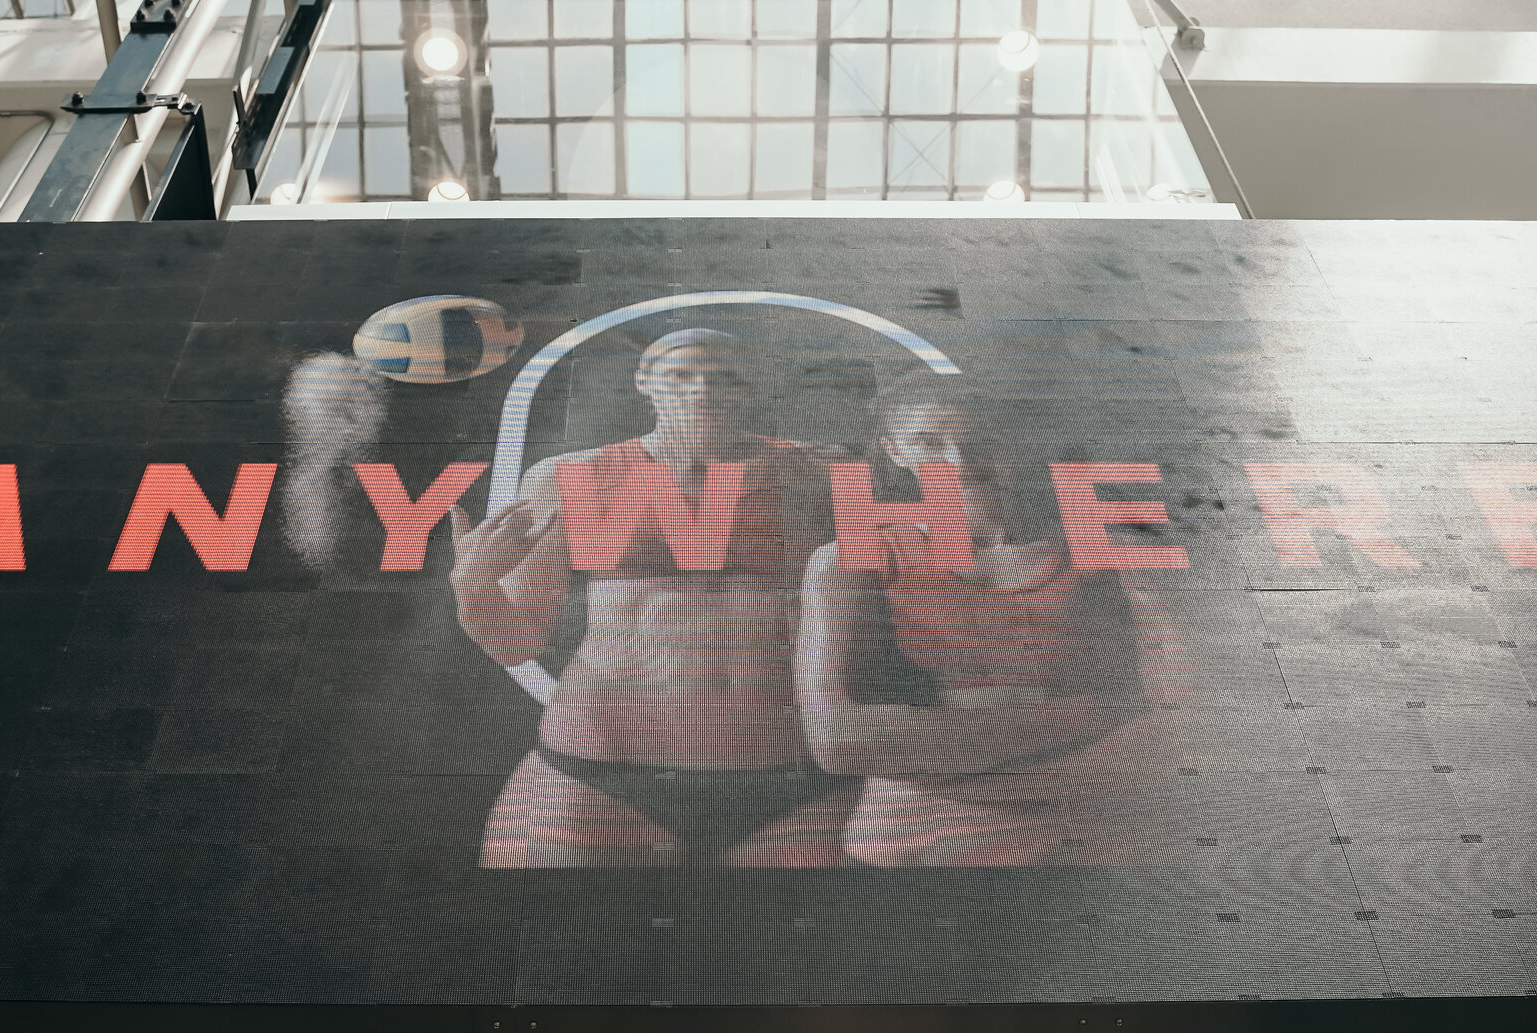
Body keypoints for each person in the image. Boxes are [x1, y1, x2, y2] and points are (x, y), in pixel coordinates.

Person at [447, 328, 857, 866]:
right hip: (600, 763)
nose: (702, 389)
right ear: (644, 380)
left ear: (749, 385)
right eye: (682, 375)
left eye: (724, 377)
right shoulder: (573, 477)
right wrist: (473, 583)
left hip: (789, 771)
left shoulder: (821, 474)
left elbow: (891, 623)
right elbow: (516, 641)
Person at [794, 375, 1163, 865]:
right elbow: (837, 740)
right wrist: (1087, 720)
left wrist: (924, 746)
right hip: (912, 848)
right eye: (929, 443)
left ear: (1008, 445)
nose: (960, 463)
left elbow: (1165, 721)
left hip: (1072, 844)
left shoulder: (1094, 555)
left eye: (978, 442)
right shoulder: (850, 558)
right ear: (895, 451)